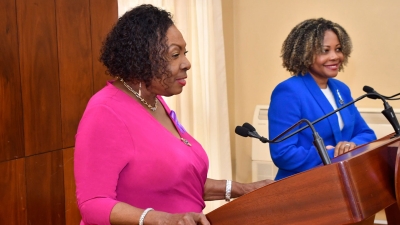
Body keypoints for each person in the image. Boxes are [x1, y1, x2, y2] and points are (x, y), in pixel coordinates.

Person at [74, 4, 272, 225]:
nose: (186, 63)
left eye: (184, 54)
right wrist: (163, 219)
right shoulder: (105, 111)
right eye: (175, 54)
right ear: (143, 58)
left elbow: (177, 183)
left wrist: (243, 188)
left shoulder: (153, 102)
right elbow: (93, 203)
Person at [268, 18, 376, 181]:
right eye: (325, 50)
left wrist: (351, 145)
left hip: (341, 181)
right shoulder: (289, 92)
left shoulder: (341, 89)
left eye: (338, 49)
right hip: (303, 186)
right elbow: (283, 154)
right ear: (304, 54)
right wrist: (333, 153)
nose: (335, 56)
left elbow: (366, 133)